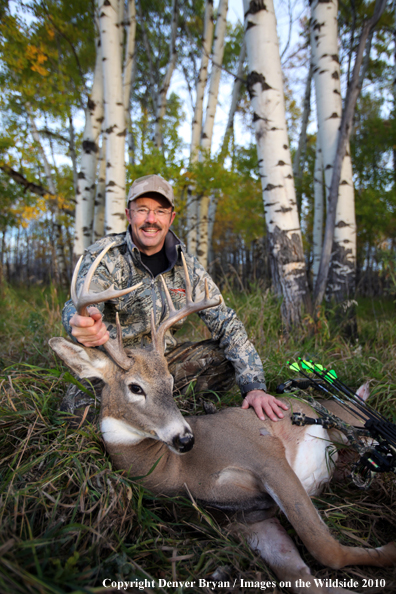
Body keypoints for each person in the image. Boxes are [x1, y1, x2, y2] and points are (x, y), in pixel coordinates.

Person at [62, 174, 288, 422]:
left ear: (171, 217)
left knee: (226, 360)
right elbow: (80, 305)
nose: (151, 220)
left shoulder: (186, 268)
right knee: (78, 414)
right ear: (129, 215)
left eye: (160, 211)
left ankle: (161, 407)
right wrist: (82, 323)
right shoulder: (106, 255)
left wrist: (255, 388)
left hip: (163, 365)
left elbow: (226, 322)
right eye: (143, 211)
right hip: (116, 366)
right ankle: (158, 408)